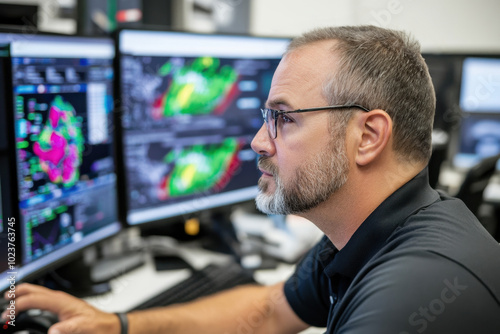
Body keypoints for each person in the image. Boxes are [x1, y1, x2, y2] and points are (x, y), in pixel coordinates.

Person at [4, 25, 500, 334]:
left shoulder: (410, 297)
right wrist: (117, 325)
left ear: (368, 136)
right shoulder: (365, 236)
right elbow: (268, 311)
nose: (258, 142)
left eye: (284, 118)